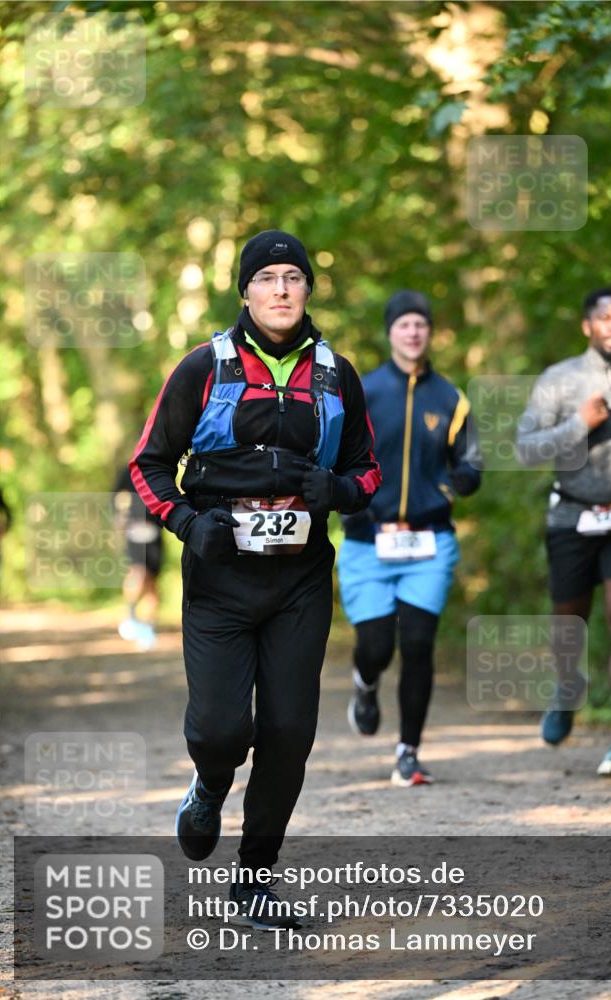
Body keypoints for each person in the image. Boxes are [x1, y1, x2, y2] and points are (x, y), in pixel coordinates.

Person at [130, 230, 380, 928]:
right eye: (265, 277)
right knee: (218, 730)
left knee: (289, 730)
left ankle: (254, 882)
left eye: (292, 277)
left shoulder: (336, 374)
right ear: (244, 290)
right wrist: (186, 522)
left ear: (307, 289)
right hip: (219, 577)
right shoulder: (202, 367)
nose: (279, 289)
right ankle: (209, 785)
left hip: (299, 580)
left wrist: (338, 491)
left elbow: (367, 470)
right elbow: (147, 464)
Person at [337, 290, 482, 786]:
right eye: (404, 325)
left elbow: (469, 459)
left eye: (421, 324)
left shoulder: (450, 398)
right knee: (376, 645)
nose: (413, 332)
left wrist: (461, 479)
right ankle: (365, 682)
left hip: (429, 541)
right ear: (391, 331)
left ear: (430, 331)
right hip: (367, 541)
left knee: (418, 644)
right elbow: (335, 456)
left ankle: (408, 752)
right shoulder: (364, 390)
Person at [516, 287, 611, 778]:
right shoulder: (559, 379)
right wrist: (578, 424)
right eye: (605, 318)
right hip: (571, 517)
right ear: (588, 326)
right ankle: (566, 686)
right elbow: (526, 450)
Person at [113, 464, 164, 650]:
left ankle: (147, 628)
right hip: (135, 530)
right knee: (137, 572)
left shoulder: (162, 466)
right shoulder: (131, 469)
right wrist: (118, 516)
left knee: (153, 583)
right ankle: (131, 615)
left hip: (155, 532)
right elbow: (114, 493)